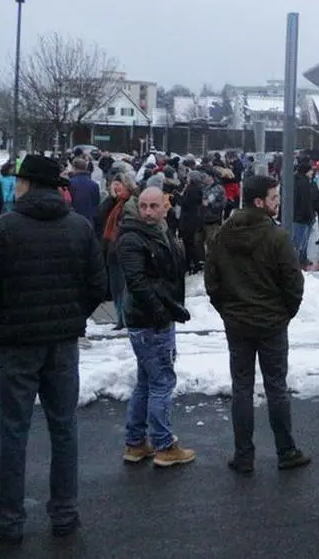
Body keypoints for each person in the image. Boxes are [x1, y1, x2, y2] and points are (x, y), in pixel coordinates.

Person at [0, 155, 108, 543]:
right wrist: (73, 317)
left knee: (13, 431)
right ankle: (64, 512)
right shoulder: (78, 227)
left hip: (15, 344)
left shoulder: (3, 229)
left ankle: (8, 518)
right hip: (62, 344)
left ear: (26, 184)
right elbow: (97, 286)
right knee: (64, 427)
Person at [204, 175, 310, 473]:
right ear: (260, 201)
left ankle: (243, 455)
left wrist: (227, 311)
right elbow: (293, 282)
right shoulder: (276, 237)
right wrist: (285, 313)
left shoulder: (223, 235)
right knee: (276, 387)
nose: (278, 202)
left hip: (238, 323)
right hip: (271, 323)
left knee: (242, 388)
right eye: (274, 198)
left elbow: (212, 282)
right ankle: (286, 451)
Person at [117, 187, 194, 468]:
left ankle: (136, 442)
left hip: (154, 316)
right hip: (149, 321)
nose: (148, 211)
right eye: (144, 206)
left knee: (147, 381)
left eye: (153, 206)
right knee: (161, 382)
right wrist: (160, 313)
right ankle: (163, 445)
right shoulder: (132, 236)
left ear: (164, 206)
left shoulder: (159, 230)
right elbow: (137, 282)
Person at [99, 173, 140, 329]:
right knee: (115, 286)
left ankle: (125, 318)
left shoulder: (130, 203)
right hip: (112, 249)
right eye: (114, 185)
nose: (115, 188)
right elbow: (100, 214)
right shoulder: (115, 203)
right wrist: (111, 197)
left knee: (124, 286)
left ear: (127, 185)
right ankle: (120, 319)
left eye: (119, 184)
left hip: (123, 249)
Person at [290, 161, 317, 266]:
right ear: (306, 171)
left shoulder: (295, 180)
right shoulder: (304, 183)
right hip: (303, 217)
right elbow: (306, 202)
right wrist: (310, 216)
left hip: (297, 216)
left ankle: (300, 259)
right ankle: (298, 261)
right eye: (311, 171)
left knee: (298, 241)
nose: (312, 173)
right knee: (300, 241)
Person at [180, 170, 205, 273]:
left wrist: (178, 197)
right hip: (194, 218)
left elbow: (186, 203)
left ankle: (192, 264)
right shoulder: (198, 189)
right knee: (190, 242)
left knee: (189, 243)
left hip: (189, 219)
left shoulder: (191, 189)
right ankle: (193, 263)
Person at [67, 157, 100, 225]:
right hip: (89, 219)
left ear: (74, 167)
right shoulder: (94, 185)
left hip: (73, 219)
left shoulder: (69, 183)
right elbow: (96, 203)